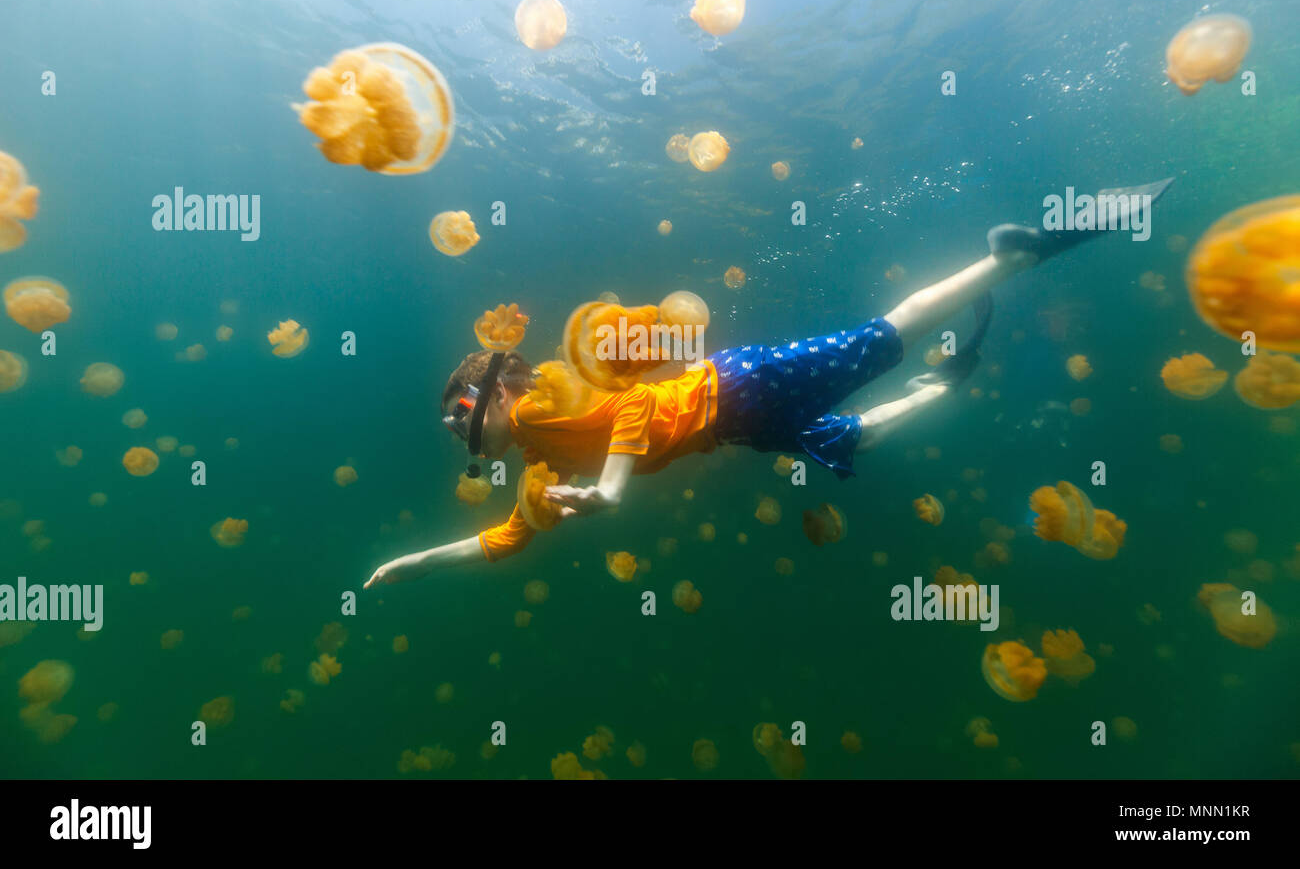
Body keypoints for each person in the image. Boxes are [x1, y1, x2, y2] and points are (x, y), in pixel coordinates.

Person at [364, 178, 1172, 588]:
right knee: (844, 439)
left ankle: (1015, 255)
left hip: (734, 387)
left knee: (884, 337)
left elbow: (641, 403)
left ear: (499, 392)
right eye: (452, 428)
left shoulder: (546, 402)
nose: (461, 434)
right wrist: (408, 566)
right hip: (737, 423)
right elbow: (503, 539)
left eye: (461, 414)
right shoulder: (539, 461)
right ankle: (949, 386)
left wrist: (610, 489)